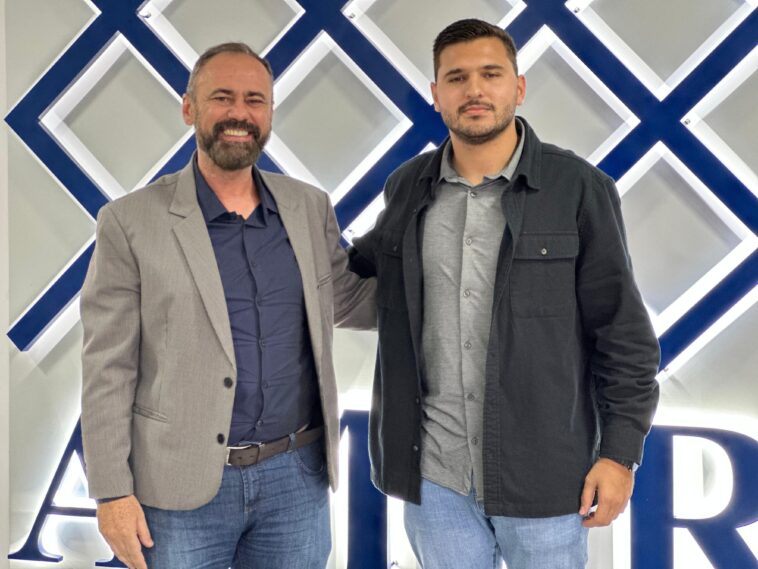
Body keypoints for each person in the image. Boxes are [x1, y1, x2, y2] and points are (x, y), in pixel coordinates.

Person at [348, 19, 660, 569]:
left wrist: (619, 454)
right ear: (436, 94)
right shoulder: (407, 186)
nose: (474, 90)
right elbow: (358, 275)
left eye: (490, 74)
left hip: (546, 480)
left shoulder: (577, 188)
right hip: (435, 481)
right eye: (457, 78)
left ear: (518, 87)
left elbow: (623, 334)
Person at [80, 42, 375, 569]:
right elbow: (108, 367)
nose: (240, 113)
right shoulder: (129, 221)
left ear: (269, 114)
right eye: (222, 97)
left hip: (296, 479)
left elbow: (344, 298)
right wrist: (110, 492)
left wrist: (447, 292)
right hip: (178, 487)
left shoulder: (309, 207)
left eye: (255, 100)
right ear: (189, 108)